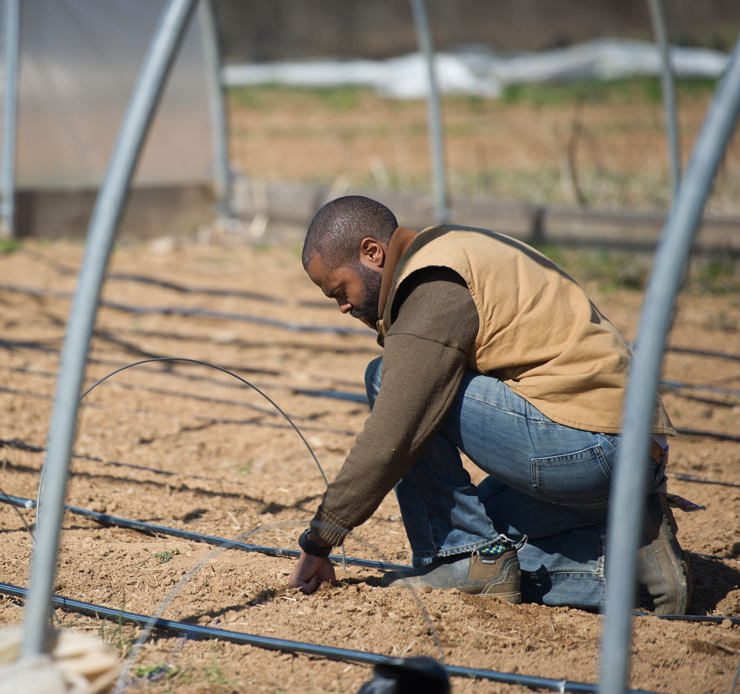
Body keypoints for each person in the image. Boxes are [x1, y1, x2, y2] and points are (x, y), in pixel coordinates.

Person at [288, 195, 689, 614]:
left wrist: (320, 539)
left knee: (390, 379)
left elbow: (394, 431)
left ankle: (461, 561)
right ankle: (639, 573)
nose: (343, 306)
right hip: (627, 449)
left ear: (372, 253)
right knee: (493, 540)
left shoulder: (432, 283)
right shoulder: (450, 249)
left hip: (595, 447)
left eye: (340, 290)